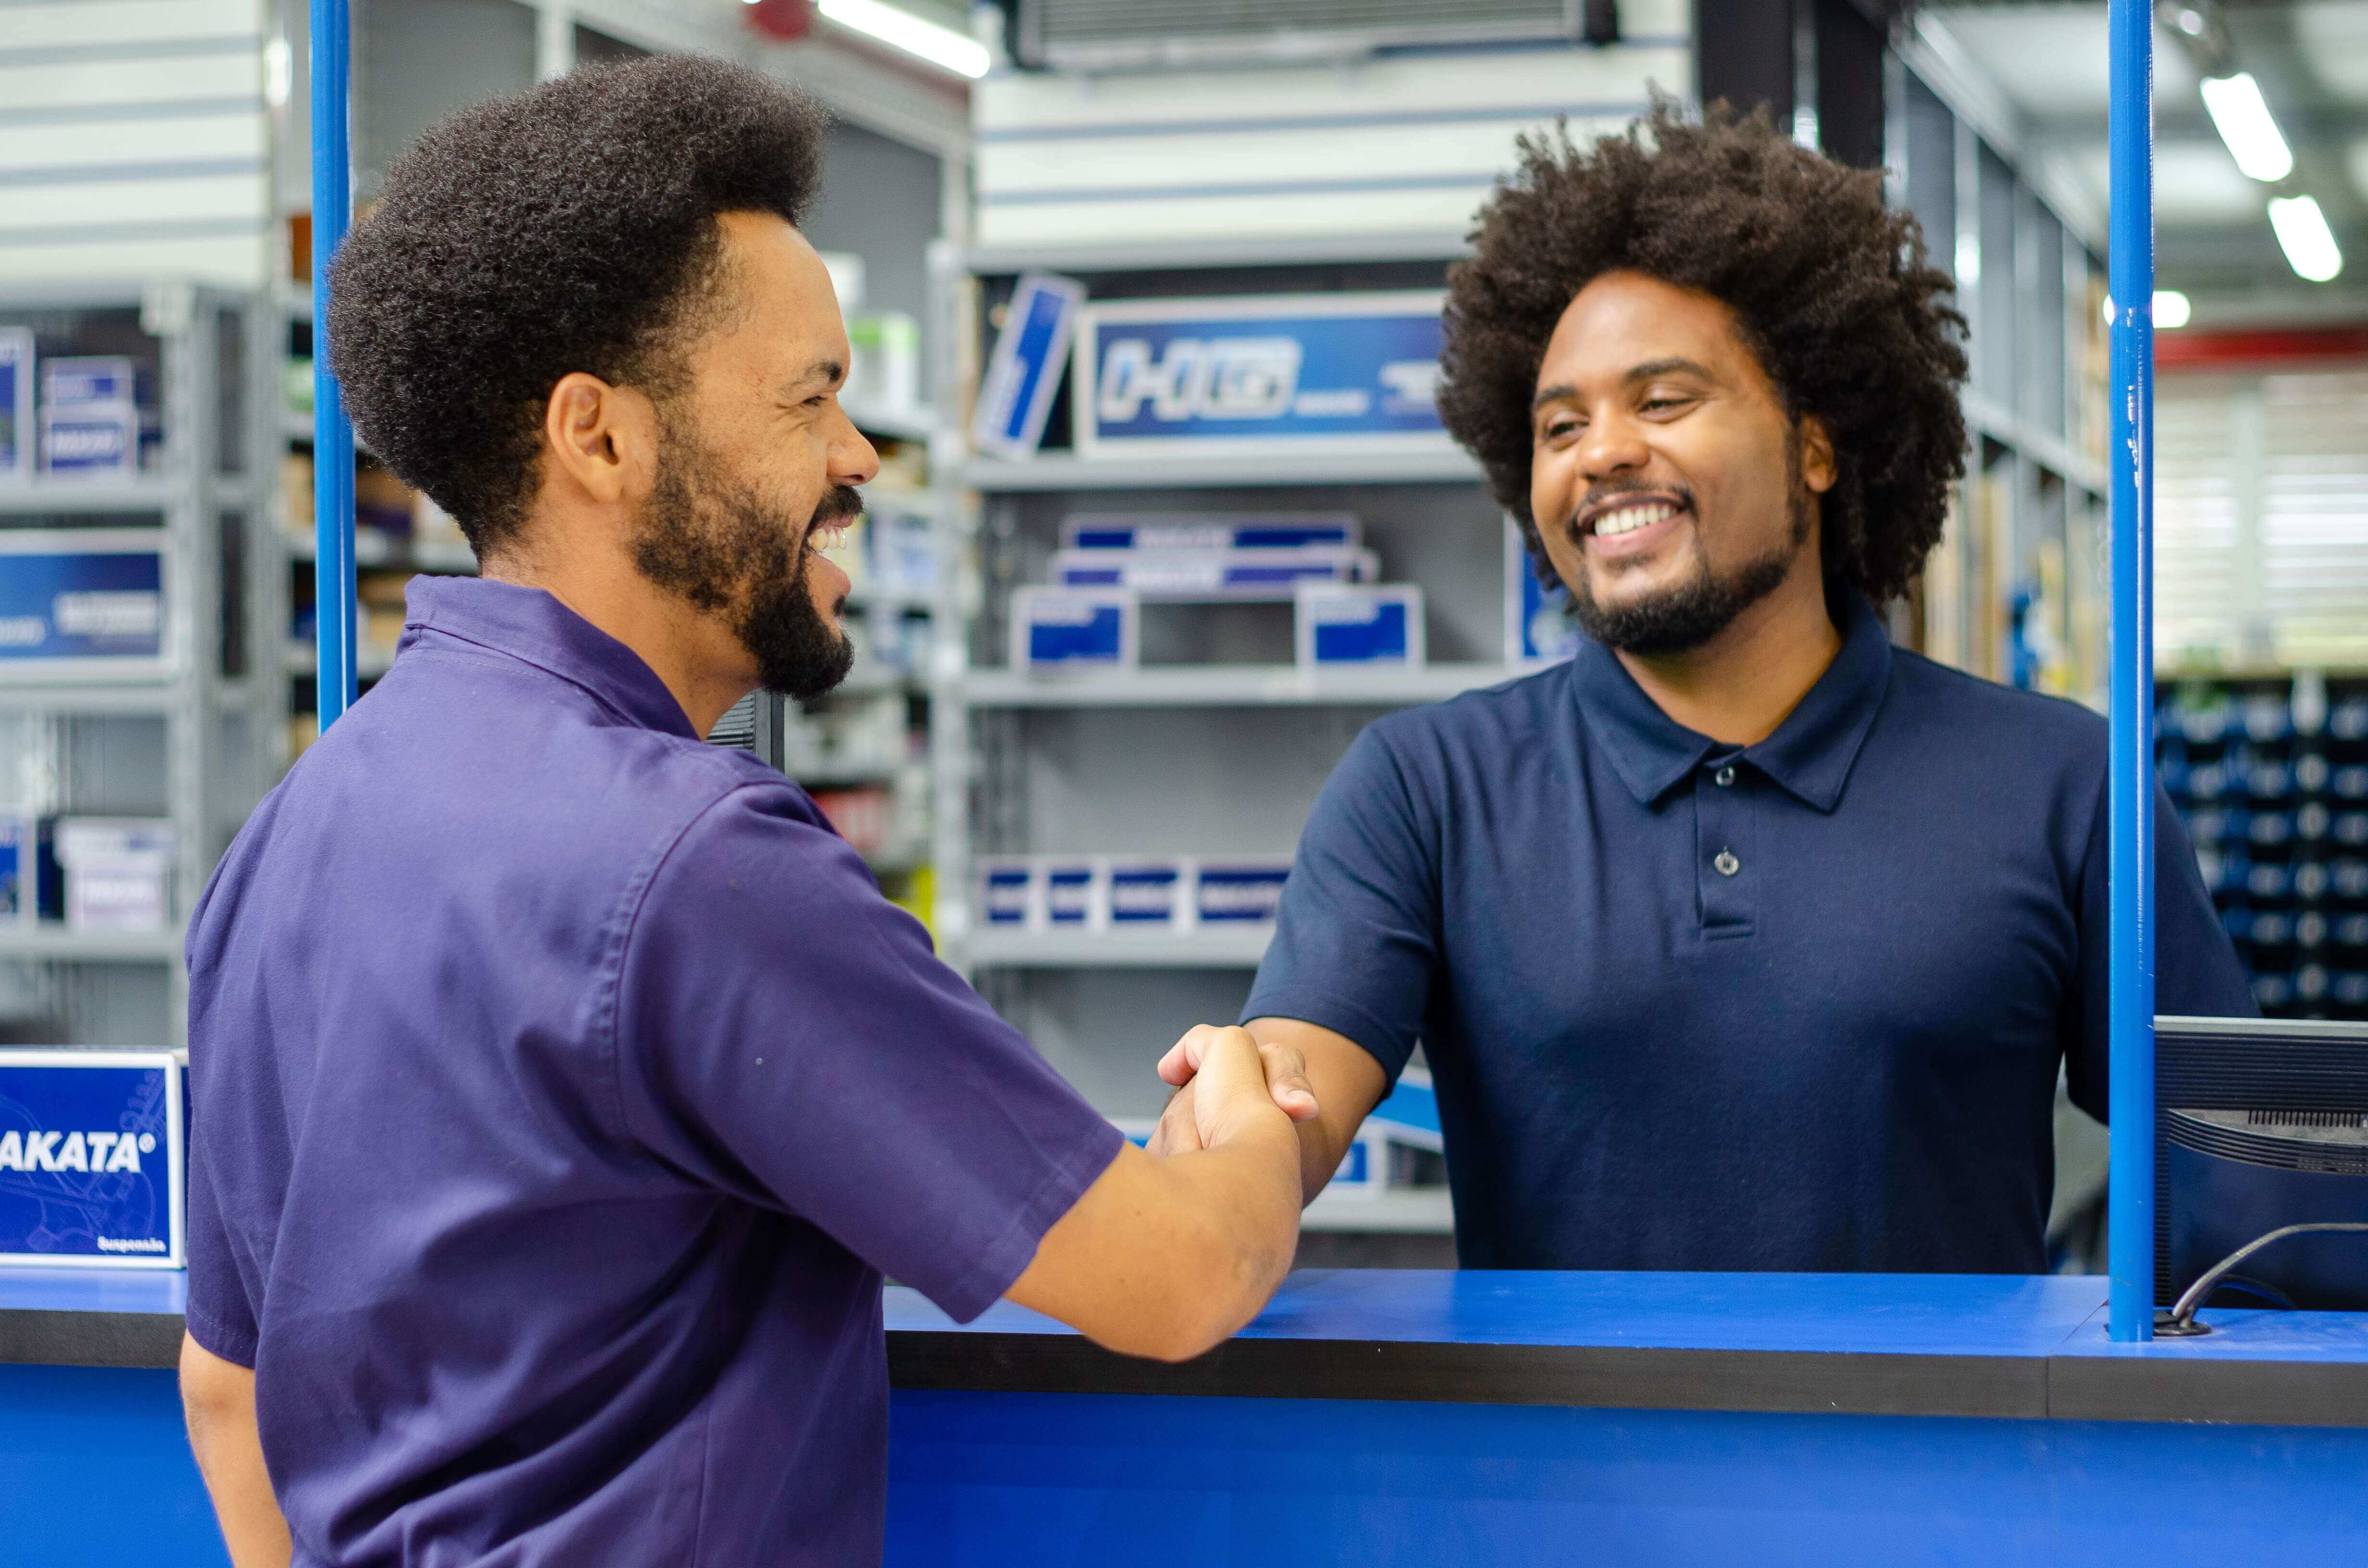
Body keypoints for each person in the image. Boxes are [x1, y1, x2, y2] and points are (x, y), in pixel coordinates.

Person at [177, 58, 1311, 1568]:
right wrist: (1249, 1129)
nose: (859, 458)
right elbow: (1176, 1281)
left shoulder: (293, 835)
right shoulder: (698, 866)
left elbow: (227, 1390)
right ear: (600, 437)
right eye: (813, 398)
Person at [1155, 104, 2253, 1274]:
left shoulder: (2061, 785)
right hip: (1556, 1464)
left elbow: (2242, 1182)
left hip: (1940, 1461)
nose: (1600, 452)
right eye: (1558, 424)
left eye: (1662, 401)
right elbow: (1293, 1074)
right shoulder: (1426, 790)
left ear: (1816, 446)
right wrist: (1238, 1125)